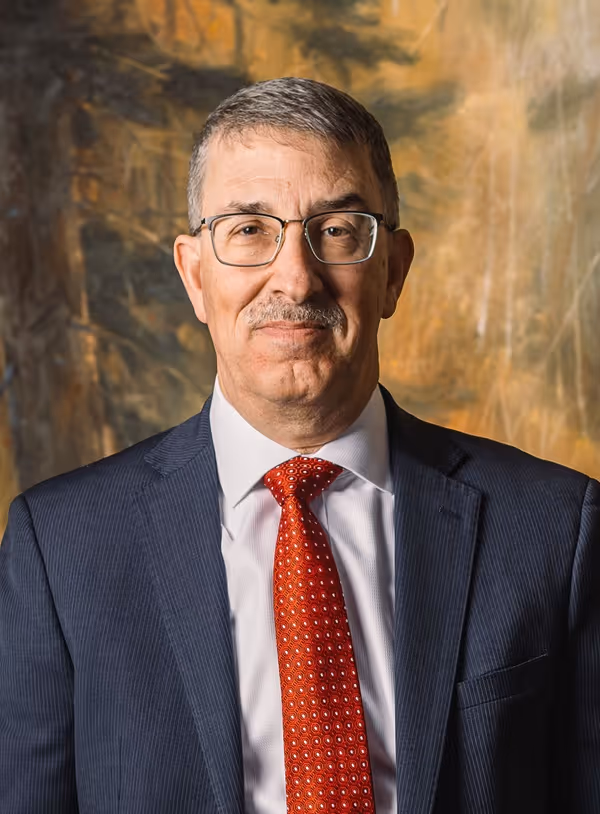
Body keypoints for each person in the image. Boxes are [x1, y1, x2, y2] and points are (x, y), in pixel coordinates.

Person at [0, 76, 598, 814]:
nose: (295, 275)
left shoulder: (556, 528)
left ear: (394, 272)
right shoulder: (59, 547)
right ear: (194, 276)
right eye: (250, 228)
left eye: (339, 229)